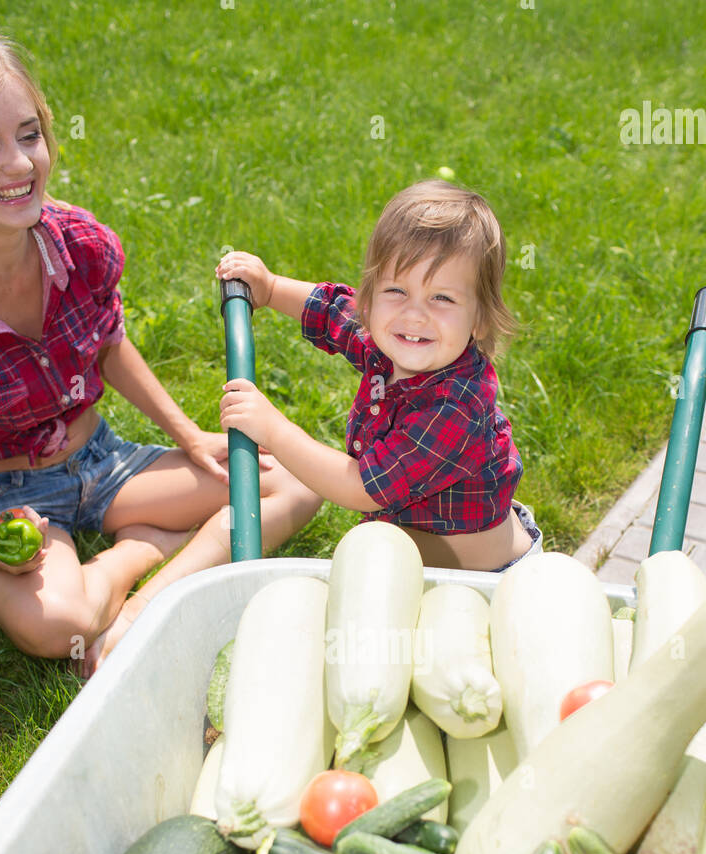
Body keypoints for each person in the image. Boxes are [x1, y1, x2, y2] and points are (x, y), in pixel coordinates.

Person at [0, 14, 321, 675]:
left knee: (298, 479)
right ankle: (139, 549)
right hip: (1, 498)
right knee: (56, 624)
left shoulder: (78, 244)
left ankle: (144, 605)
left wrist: (188, 437)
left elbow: (108, 343)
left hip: (100, 462)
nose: (20, 162)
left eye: (29, 134)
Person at [215, 179, 543, 573]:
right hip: (410, 563)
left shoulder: (453, 407)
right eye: (396, 290)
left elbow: (361, 489)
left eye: (442, 298)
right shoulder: (393, 343)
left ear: (480, 321)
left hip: (483, 581)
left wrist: (272, 430)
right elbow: (332, 312)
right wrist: (270, 288)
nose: (414, 314)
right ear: (369, 300)